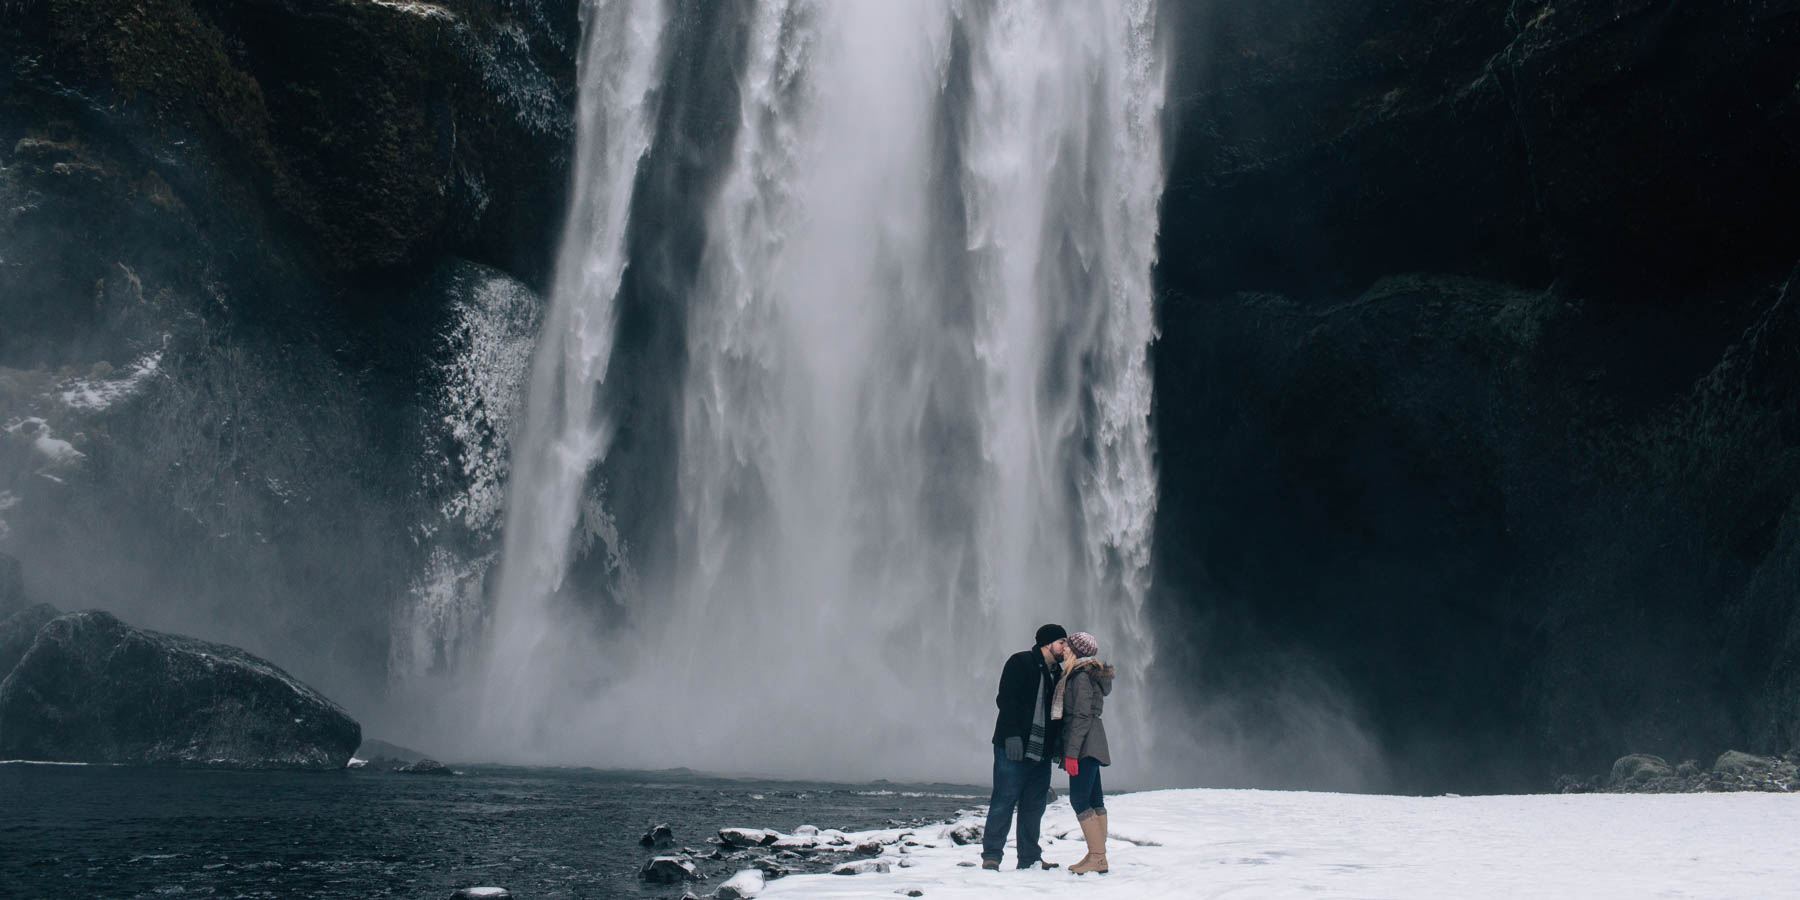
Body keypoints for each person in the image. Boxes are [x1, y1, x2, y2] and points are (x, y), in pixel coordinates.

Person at [982, 623, 1071, 870]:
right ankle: (991, 856)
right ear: (1047, 643)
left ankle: (1030, 858)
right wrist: (1011, 735)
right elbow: (1006, 699)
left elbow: (1059, 715)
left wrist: (1059, 747)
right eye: (1062, 642)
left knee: (1034, 805)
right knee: (1004, 800)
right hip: (1013, 746)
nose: (1066, 646)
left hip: (1041, 752)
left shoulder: (1059, 674)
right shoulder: (1020, 662)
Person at [1052, 631, 1113, 875]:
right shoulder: (1090, 674)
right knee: (1095, 799)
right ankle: (1095, 854)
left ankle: (1098, 857)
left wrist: (1071, 753)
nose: (1064, 648)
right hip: (1094, 742)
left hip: (1085, 744)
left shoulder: (1079, 677)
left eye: (1068, 645)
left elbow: (1081, 716)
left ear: (1077, 651)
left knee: (1079, 799)